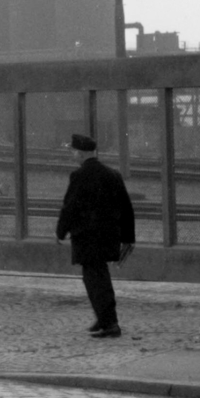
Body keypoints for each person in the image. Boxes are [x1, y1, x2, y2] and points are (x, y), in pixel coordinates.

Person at [56, 131, 136, 338]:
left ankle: (110, 324)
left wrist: (60, 231)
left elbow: (69, 207)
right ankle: (104, 318)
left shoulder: (79, 176)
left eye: (73, 151)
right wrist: (128, 238)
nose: (72, 154)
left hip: (87, 237)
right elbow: (126, 208)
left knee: (95, 280)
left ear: (80, 153)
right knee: (98, 277)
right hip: (108, 237)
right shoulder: (112, 174)